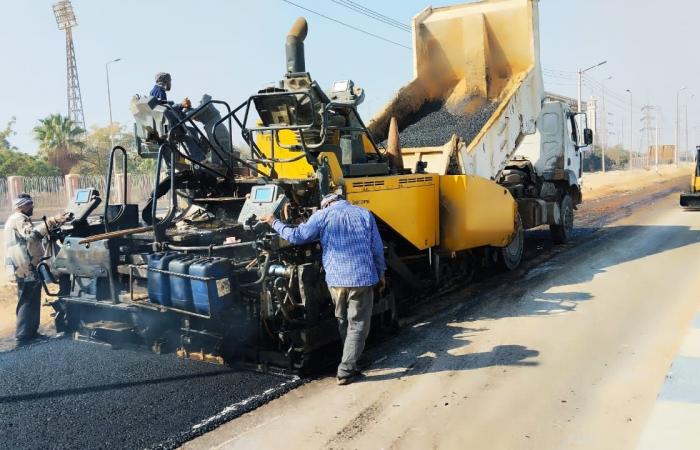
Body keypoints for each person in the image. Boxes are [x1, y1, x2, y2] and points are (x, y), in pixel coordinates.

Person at [261, 192, 385, 385]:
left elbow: (296, 236)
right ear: (344, 200)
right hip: (361, 278)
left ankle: (352, 359)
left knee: (343, 319)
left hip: (336, 280)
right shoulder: (364, 214)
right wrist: (380, 273)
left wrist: (273, 221)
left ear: (326, 204)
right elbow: (377, 248)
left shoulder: (321, 215)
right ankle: (346, 369)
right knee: (358, 324)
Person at [4, 193, 70, 346]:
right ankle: (25, 335)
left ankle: (29, 333)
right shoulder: (19, 219)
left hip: (22, 265)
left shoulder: (15, 219)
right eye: (29, 204)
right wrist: (52, 221)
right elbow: (31, 235)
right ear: (21, 206)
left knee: (29, 299)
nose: (32, 206)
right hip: (25, 267)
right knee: (28, 300)